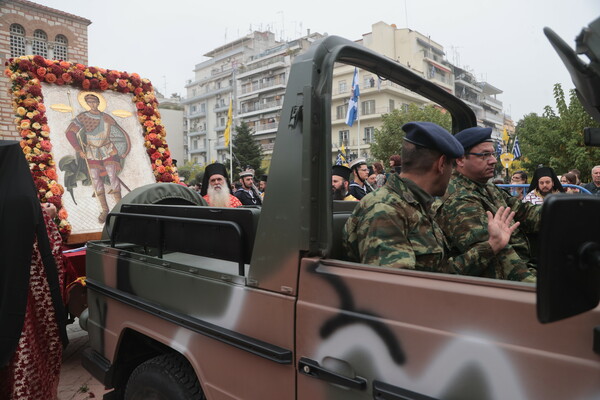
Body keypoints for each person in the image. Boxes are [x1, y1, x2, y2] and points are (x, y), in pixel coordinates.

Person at [343, 122, 520, 276]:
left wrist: (492, 245)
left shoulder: (416, 204)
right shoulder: (384, 210)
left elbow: (439, 273)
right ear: (442, 164)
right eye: (452, 165)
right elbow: (398, 293)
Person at [0, 141, 68, 399]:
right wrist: (47, 217)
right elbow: (49, 248)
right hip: (24, 296)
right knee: (25, 351)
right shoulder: (24, 200)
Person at [435, 126, 539, 282]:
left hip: (524, 265)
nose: (494, 160)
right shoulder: (459, 199)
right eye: (484, 155)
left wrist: (566, 215)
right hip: (505, 283)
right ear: (460, 159)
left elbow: (524, 212)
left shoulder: (485, 186)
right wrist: (537, 288)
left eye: (492, 154)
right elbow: (498, 255)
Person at [65, 92, 131, 223]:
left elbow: (121, 134)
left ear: (98, 102)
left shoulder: (106, 117)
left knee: (113, 176)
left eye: (94, 101)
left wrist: (124, 150)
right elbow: (70, 133)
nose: (92, 104)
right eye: (89, 102)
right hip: (92, 151)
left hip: (108, 149)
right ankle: (105, 210)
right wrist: (78, 149)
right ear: (87, 103)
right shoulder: (82, 118)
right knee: (95, 178)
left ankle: (119, 209)